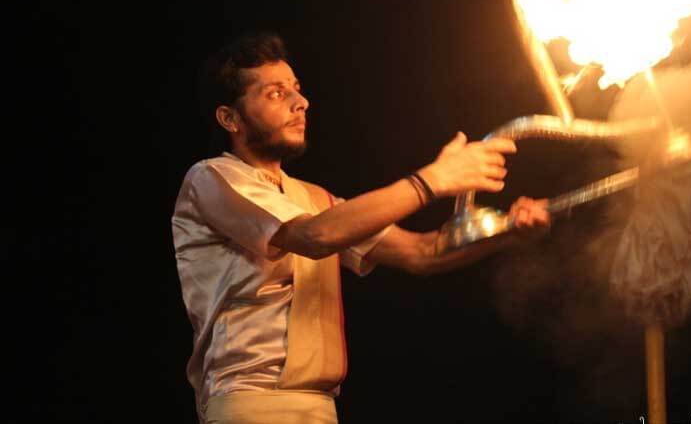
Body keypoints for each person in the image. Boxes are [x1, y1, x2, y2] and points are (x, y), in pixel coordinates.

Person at [172, 33, 550, 424]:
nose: (301, 103)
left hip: (320, 409)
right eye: (275, 94)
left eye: (297, 91)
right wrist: (433, 180)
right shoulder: (211, 178)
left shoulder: (316, 200)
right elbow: (314, 237)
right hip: (251, 406)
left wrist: (510, 234)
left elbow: (422, 253)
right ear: (229, 118)